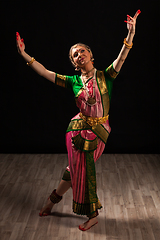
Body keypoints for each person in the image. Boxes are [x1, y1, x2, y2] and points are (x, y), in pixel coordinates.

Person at [16, 10, 141, 231]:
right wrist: (24, 54)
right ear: (74, 62)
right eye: (74, 54)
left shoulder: (106, 75)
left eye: (82, 51)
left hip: (99, 130)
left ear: (91, 56)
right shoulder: (73, 81)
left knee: (82, 168)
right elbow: (45, 72)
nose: (78, 54)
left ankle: (64, 205)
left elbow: (122, 57)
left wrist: (130, 34)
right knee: (77, 168)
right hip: (77, 129)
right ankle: (70, 207)